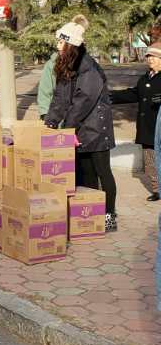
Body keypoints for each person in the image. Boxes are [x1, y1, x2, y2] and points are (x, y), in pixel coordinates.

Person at [45, 18, 118, 230]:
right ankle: (91, 214)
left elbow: (83, 100)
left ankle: (109, 217)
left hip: (97, 128)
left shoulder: (89, 68)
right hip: (81, 128)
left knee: (103, 171)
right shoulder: (67, 65)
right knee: (86, 172)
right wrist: (50, 122)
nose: (57, 46)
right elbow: (60, 97)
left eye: (61, 42)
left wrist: (67, 127)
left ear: (71, 45)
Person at [111, 42, 161, 202]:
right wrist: (109, 96)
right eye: (148, 56)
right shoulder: (145, 78)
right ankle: (157, 190)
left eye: (154, 56)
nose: (150, 59)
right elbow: (134, 94)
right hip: (147, 127)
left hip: (159, 127)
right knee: (150, 160)